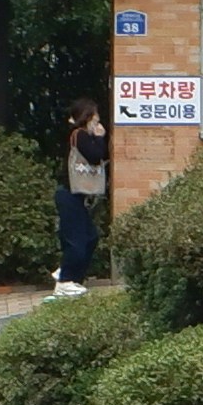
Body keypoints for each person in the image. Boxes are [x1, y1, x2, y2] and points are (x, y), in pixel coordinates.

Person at [57, 116, 110, 287]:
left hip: (77, 196)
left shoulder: (85, 137)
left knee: (91, 238)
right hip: (69, 194)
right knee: (77, 243)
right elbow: (95, 156)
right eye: (95, 121)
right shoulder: (79, 135)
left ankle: (74, 279)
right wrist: (99, 138)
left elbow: (103, 156)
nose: (97, 125)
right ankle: (65, 280)